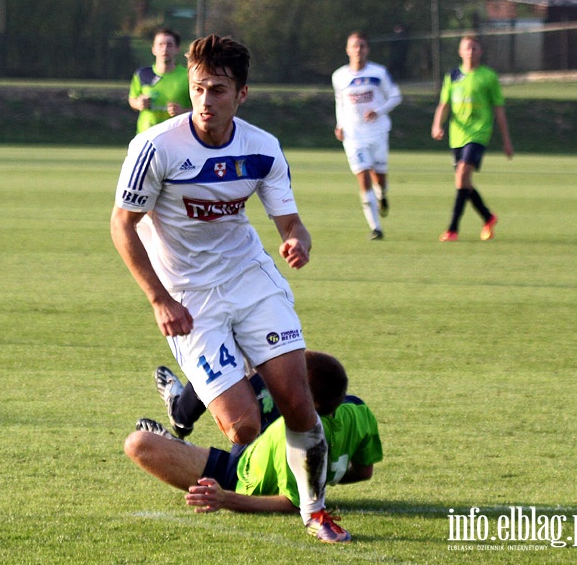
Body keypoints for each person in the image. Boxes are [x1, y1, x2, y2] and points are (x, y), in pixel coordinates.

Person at [111, 34, 349, 543]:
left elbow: (292, 224)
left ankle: (315, 511)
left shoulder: (262, 148)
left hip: (250, 281)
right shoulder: (155, 147)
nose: (205, 101)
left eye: (218, 90)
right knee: (242, 428)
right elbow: (121, 226)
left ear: (242, 94)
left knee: (298, 402)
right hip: (190, 299)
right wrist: (160, 300)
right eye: (199, 89)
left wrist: (297, 243)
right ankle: (205, 406)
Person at [125, 351, 383, 518]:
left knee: (138, 444)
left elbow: (293, 504)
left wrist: (225, 498)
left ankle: (180, 417)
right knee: (247, 359)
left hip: (237, 477)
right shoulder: (358, 409)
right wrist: (318, 475)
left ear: (304, 394)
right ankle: (180, 420)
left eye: (290, 374)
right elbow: (363, 472)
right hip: (265, 445)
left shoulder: (292, 436)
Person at [432, 35, 514, 242]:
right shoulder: (452, 76)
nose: (470, 52)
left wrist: (506, 140)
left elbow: (499, 109)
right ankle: (488, 217)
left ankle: (452, 229)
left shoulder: (488, 76)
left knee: (461, 176)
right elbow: (444, 104)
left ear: (480, 52)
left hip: (478, 133)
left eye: (474, 48)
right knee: (464, 182)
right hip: (457, 135)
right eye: (466, 48)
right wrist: (437, 125)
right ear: (460, 52)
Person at [331, 31, 402, 240]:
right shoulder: (339, 76)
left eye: (362, 46)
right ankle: (376, 228)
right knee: (363, 176)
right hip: (353, 135)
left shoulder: (379, 73)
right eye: (354, 46)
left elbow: (396, 96)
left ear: (367, 49)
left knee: (379, 178)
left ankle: (382, 194)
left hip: (378, 132)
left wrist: (378, 111)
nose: (358, 50)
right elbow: (340, 102)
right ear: (347, 49)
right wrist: (339, 124)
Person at [128, 28, 191, 134]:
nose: (165, 49)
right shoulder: (143, 74)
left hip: (175, 138)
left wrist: (182, 112)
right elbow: (132, 99)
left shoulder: (188, 76)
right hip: (146, 137)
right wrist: (139, 103)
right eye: (160, 44)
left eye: (169, 45)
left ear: (177, 49)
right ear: (153, 49)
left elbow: (199, 109)